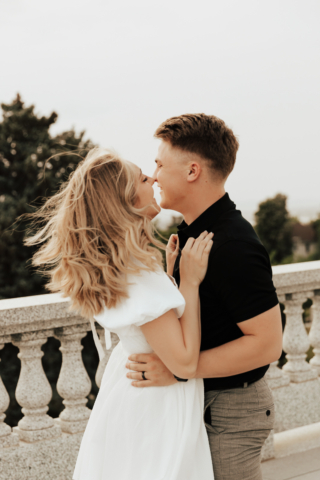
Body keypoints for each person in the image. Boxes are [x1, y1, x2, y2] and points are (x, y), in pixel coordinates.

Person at [25, 147, 215, 480]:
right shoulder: (140, 277)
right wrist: (191, 283)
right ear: (125, 202)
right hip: (157, 409)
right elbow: (184, 362)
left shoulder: (120, 270)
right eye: (143, 178)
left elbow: (150, 329)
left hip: (135, 401)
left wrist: (170, 277)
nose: (154, 177)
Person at [126, 113, 283, 480]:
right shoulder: (193, 234)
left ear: (192, 171)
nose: (156, 175)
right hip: (204, 405)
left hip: (230, 412)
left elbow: (267, 344)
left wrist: (180, 370)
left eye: (160, 164)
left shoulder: (232, 244)